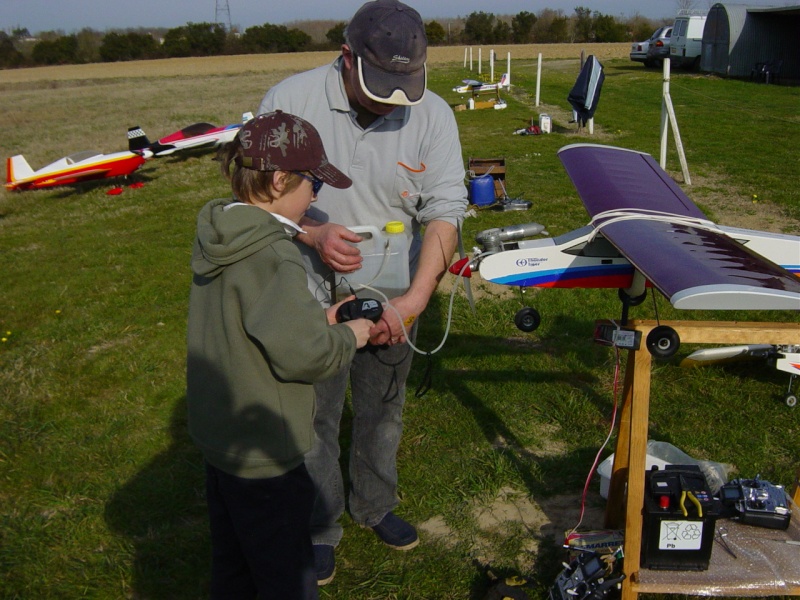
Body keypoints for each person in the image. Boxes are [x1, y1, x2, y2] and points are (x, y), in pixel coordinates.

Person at [258, 0, 468, 585]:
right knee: (314, 414)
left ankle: (375, 504)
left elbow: (447, 208)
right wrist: (314, 231)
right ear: (346, 57)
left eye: (407, 85)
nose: (395, 100)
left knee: (382, 410)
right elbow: (254, 201)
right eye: (381, 84)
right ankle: (320, 524)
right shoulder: (289, 101)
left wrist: (415, 302)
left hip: (397, 290)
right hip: (308, 292)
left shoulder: (435, 115)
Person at [186, 110, 374, 599]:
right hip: (265, 453)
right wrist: (350, 334)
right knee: (285, 576)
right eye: (313, 184)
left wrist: (316, 322)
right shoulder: (272, 253)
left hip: (220, 440)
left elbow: (251, 324)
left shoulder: (221, 231)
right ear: (278, 180)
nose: (316, 197)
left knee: (233, 563)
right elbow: (306, 359)